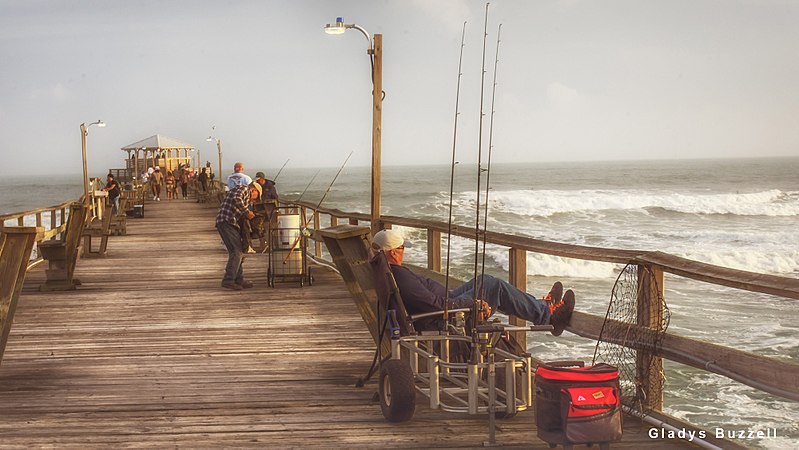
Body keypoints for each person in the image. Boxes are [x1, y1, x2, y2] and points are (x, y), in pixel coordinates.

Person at [371, 229, 575, 336]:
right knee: (494, 287)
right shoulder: (399, 276)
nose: (404, 250)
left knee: (486, 280)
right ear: (393, 252)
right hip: (445, 316)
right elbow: (435, 305)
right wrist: (472, 304)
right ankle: (548, 315)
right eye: (403, 247)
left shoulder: (388, 272)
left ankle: (543, 307)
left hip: (448, 300)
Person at [216, 181, 263, 290]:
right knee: (236, 251)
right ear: (254, 190)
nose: (254, 200)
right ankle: (228, 280)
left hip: (230, 223)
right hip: (227, 221)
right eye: (256, 197)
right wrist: (247, 212)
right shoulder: (244, 189)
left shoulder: (244, 195)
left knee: (238, 251)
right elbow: (236, 199)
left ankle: (239, 279)